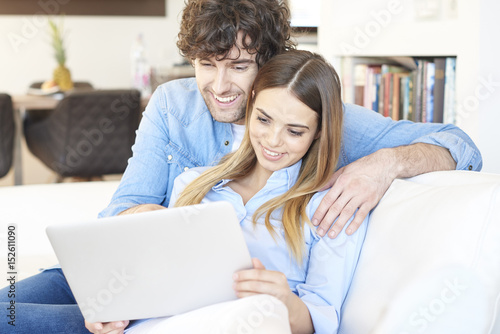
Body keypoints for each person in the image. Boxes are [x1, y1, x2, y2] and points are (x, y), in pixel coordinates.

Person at [0, 0, 481, 333]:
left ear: (270, 64)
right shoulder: (173, 104)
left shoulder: (312, 111)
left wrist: (385, 164)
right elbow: (122, 207)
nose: (220, 85)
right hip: (129, 274)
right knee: (10, 303)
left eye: (239, 65)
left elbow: (460, 145)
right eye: (207, 64)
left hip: (184, 311)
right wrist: (138, 228)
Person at [92, 49, 368, 334]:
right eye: (263, 119)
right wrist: (114, 312)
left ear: (320, 131)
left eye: (294, 131)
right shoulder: (194, 186)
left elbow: (321, 321)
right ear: (250, 106)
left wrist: (285, 301)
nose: (273, 141)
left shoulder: (334, 208)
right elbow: (157, 284)